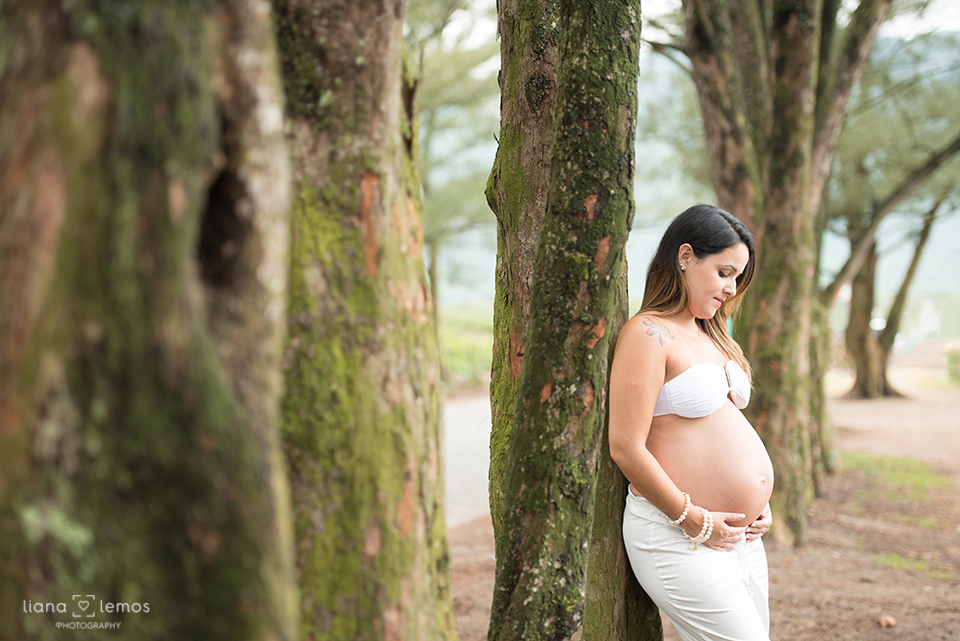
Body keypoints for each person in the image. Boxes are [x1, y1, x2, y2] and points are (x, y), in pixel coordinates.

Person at [609, 204, 774, 641]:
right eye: (723, 272)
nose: (731, 288)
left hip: (739, 539)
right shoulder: (648, 333)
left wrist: (759, 506)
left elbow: (719, 431)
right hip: (677, 536)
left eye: (738, 278)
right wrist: (691, 518)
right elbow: (626, 445)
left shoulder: (714, 335)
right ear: (685, 256)